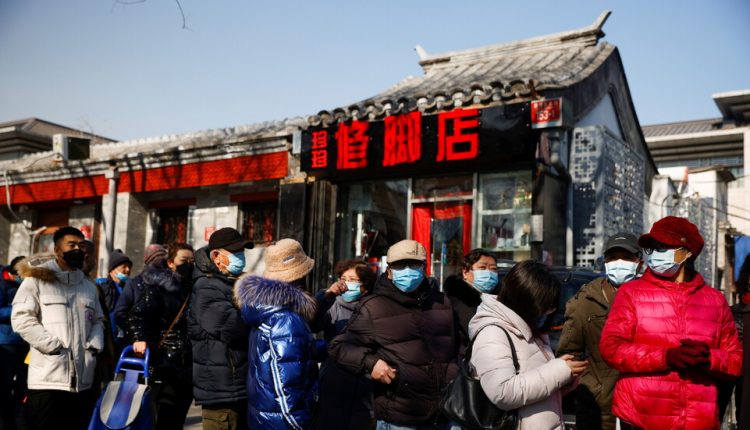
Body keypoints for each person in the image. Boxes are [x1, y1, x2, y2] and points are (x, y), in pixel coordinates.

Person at [600, 216, 742, 429]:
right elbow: (611, 348)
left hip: (697, 420)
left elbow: (735, 360)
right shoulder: (631, 293)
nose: (655, 254)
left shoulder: (715, 300)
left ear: (687, 252)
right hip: (641, 417)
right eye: (652, 248)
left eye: (663, 247)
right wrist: (666, 356)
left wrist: (709, 359)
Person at [329, 239, 460, 430]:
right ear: (389, 272)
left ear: (424, 268)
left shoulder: (443, 303)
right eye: (400, 266)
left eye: (413, 264)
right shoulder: (373, 306)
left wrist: (456, 373)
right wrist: (371, 363)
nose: (407, 271)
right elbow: (339, 346)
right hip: (400, 417)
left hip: (447, 413)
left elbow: (459, 346)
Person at [469, 260, 586, 429]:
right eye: (546, 306)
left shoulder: (527, 329)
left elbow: (532, 386)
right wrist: (559, 370)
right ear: (525, 301)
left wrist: (562, 382)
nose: (550, 311)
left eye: (552, 306)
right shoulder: (493, 332)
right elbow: (503, 393)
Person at [11, 226, 105, 430]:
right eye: (71, 245)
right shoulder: (35, 281)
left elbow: (98, 321)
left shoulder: (89, 287)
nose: (77, 249)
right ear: (57, 250)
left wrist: (93, 347)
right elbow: (21, 318)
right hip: (47, 379)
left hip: (83, 381)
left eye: (81, 245)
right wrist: (53, 347)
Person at [557, 232, 642, 430]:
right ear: (605, 262)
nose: (619, 263)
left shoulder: (653, 298)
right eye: (613, 257)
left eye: (627, 257)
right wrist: (592, 387)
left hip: (643, 405)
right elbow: (569, 353)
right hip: (598, 410)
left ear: (639, 263)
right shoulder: (587, 299)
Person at [233, 238, 320, 430]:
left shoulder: (264, 310)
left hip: (264, 417)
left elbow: (286, 356)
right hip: (283, 422)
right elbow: (285, 383)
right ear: (302, 275)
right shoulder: (286, 319)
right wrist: (299, 423)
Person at [126, 242, 195, 430]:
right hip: (164, 362)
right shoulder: (159, 289)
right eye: (184, 260)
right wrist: (139, 338)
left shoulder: (194, 289)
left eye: (192, 261)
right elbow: (135, 316)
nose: (189, 264)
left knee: (178, 419)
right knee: (163, 418)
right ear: (171, 263)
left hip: (188, 365)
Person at [189, 228, 252, 430]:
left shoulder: (230, 282)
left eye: (242, 252)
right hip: (222, 389)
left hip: (236, 384)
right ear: (216, 256)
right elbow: (233, 327)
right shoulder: (207, 286)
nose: (241, 257)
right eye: (235, 253)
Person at [315, 259, 376, 430]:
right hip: (334, 380)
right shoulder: (332, 304)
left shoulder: (374, 307)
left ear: (365, 286)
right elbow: (313, 323)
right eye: (343, 278)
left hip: (365, 383)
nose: (347, 283)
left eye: (352, 279)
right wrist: (326, 297)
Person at [443, 249, 500, 348]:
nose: (489, 273)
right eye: (482, 268)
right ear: (465, 272)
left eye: (493, 269)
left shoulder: (502, 301)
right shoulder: (453, 303)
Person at [113, 244, 167, 336]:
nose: (161, 264)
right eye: (156, 259)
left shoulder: (170, 284)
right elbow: (120, 313)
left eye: (164, 260)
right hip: (140, 341)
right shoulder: (134, 284)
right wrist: (136, 335)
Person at [0, 256, 28, 430]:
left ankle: (16, 419)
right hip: (6, 341)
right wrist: (18, 309)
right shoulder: (2, 285)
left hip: (25, 341)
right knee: (4, 383)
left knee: (22, 385)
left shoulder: (25, 286)